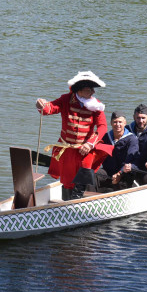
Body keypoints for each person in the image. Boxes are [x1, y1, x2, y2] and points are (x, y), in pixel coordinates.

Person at [36, 71, 113, 200]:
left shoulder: (96, 105)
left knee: (85, 169)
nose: (93, 92)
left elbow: (102, 127)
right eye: (90, 89)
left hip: (86, 148)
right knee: (67, 180)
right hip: (68, 149)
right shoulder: (66, 99)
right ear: (80, 90)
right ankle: (66, 204)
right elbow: (50, 108)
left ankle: (77, 201)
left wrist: (90, 143)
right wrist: (41, 104)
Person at [97, 111, 139, 191]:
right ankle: (87, 198)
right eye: (115, 122)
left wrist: (120, 173)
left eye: (120, 122)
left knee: (125, 179)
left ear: (125, 123)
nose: (118, 125)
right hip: (108, 171)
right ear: (111, 123)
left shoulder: (131, 139)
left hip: (124, 172)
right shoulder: (106, 137)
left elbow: (130, 159)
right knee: (93, 174)